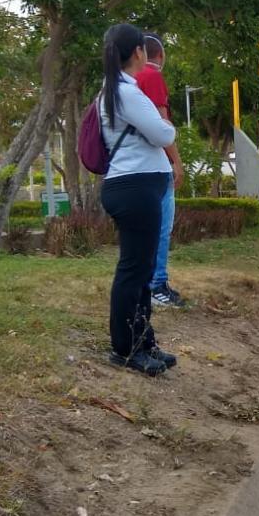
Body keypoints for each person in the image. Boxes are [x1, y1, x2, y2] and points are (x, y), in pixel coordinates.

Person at [97, 23, 178, 376]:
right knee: (134, 270)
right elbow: (163, 132)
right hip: (135, 187)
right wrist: (168, 131)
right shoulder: (126, 93)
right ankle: (126, 347)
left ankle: (144, 340)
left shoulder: (115, 90)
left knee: (141, 270)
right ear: (139, 54)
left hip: (134, 185)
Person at [134, 34, 186, 309]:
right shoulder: (151, 77)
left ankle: (149, 284)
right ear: (159, 56)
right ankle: (158, 284)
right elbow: (163, 126)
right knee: (162, 228)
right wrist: (176, 162)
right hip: (155, 166)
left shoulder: (122, 82)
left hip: (132, 169)